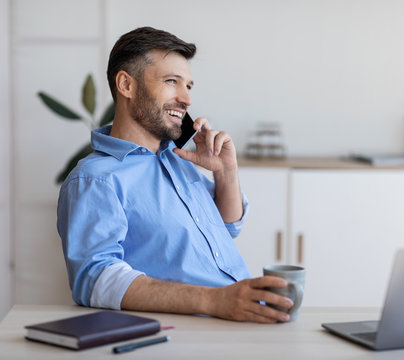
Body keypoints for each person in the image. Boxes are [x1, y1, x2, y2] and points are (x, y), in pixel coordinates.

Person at [57, 26, 292, 323]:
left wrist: (226, 172)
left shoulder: (178, 160)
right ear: (126, 85)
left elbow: (228, 226)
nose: (186, 99)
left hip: (243, 318)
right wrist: (215, 300)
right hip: (194, 332)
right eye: (172, 82)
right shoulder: (95, 179)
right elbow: (94, 279)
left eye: (189, 86)